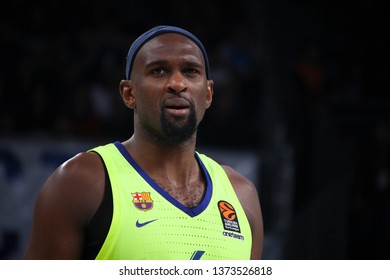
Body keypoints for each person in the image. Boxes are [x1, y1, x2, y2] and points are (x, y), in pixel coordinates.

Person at [23, 25, 264, 260]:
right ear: (129, 94)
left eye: (190, 71)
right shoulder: (81, 181)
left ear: (208, 93)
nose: (177, 84)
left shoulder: (241, 194)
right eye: (159, 71)